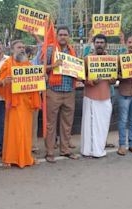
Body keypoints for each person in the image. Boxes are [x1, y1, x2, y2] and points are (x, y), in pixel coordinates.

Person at [0, 40, 41, 168]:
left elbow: (36, 81)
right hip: (14, 104)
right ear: (12, 50)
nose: (22, 49)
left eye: (23, 47)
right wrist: (4, 81)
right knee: (14, 132)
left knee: (26, 132)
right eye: (19, 47)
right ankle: (10, 158)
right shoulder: (7, 64)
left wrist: (42, 78)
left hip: (27, 104)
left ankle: (26, 157)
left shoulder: (29, 65)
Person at [44, 26, 78, 163]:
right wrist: (53, 66)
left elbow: (77, 70)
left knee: (67, 124)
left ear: (69, 36)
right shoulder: (50, 50)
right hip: (53, 91)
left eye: (65, 34)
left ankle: (65, 150)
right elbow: (41, 68)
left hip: (69, 91)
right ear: (57, 36)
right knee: (51, 124)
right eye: (61, 34)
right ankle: (50, 152)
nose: (63, 37)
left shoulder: (72, 52)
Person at [81, 34, 115, 158]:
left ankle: (99, 148)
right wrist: (91, 81)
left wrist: (112, 79)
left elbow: (114, 79)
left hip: (106, 96)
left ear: (105, 44)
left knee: (103, 124)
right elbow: (81, 76)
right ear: (94, 44)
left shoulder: (110, 59)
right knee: (91, 126)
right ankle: (89, 151)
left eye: (102, 42)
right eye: (97, 42)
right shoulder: (87, 59)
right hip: (91, 97)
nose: (99, 44)